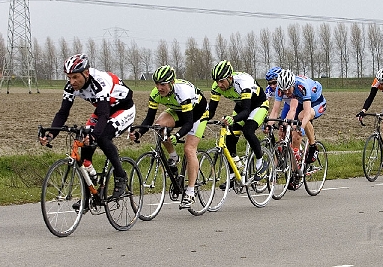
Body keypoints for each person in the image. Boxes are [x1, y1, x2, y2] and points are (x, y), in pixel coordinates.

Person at [39, 53, 135, 206]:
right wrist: (51, 134)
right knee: (84, 140)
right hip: (104, 109)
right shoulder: (71, 87)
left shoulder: (100, 82)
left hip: (123, 108)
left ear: (86, 73)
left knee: (102, 137)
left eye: (75, 77)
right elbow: (63, 112)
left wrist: (95, 136)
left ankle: (120, 175)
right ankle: (87, 196)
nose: (72, 81)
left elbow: (104, 114)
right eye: (69, 77)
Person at [129, 65, 208, 209]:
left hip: (198, 114)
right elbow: (149, 119)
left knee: (189, 149)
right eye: (157, 84)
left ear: (171, 83)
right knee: (159, 125)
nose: (159, 88)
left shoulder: (182, 92)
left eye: (163, 84)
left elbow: (188, 122)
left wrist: (177, 136)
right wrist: (139, 132)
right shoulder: (155, 94)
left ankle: (190, 193)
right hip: (178, 110)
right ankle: (173, 157)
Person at [208, 60, 270, 189]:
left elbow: (247, 111)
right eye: (217, 81)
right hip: (242, 106)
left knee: (248, 131)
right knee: (229, 138)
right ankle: (233, 174)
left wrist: (233, 118)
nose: (219, 85)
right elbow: (211, 110)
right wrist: (201, 120)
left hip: (258, 105)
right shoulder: (216, 86)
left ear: (230, 77)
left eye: (222, 81)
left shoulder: (243, 82)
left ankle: (260, 163)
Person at [272, 69, 327, 169]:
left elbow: (306, 114)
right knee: (290, 128)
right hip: (302, 102)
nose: (287, 92)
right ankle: (295, 171)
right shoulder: (280, 89)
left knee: (301, 118)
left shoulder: (302, 86)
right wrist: (269, 124)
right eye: (284, 90)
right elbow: (275, 111)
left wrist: (301, 128)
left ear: (293, 84)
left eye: (288, 89)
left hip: (317, 102)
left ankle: (313, 146)